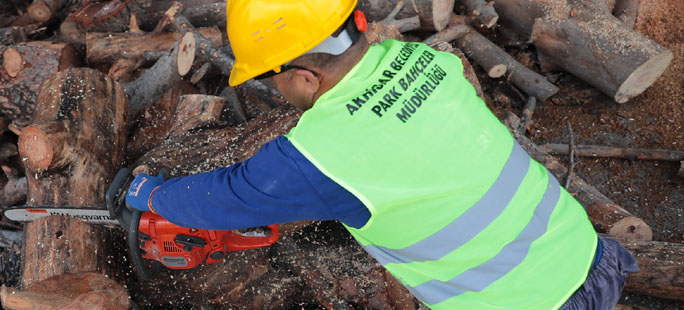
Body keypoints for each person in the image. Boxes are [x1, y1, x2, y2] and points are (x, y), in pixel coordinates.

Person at [124, 0, 638, 309]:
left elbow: (230, 197)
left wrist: (154, 196)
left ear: (304, 76)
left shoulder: (322, 155)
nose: (273, 89)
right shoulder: (424, 60)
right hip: (586, 253)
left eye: (268, 76)